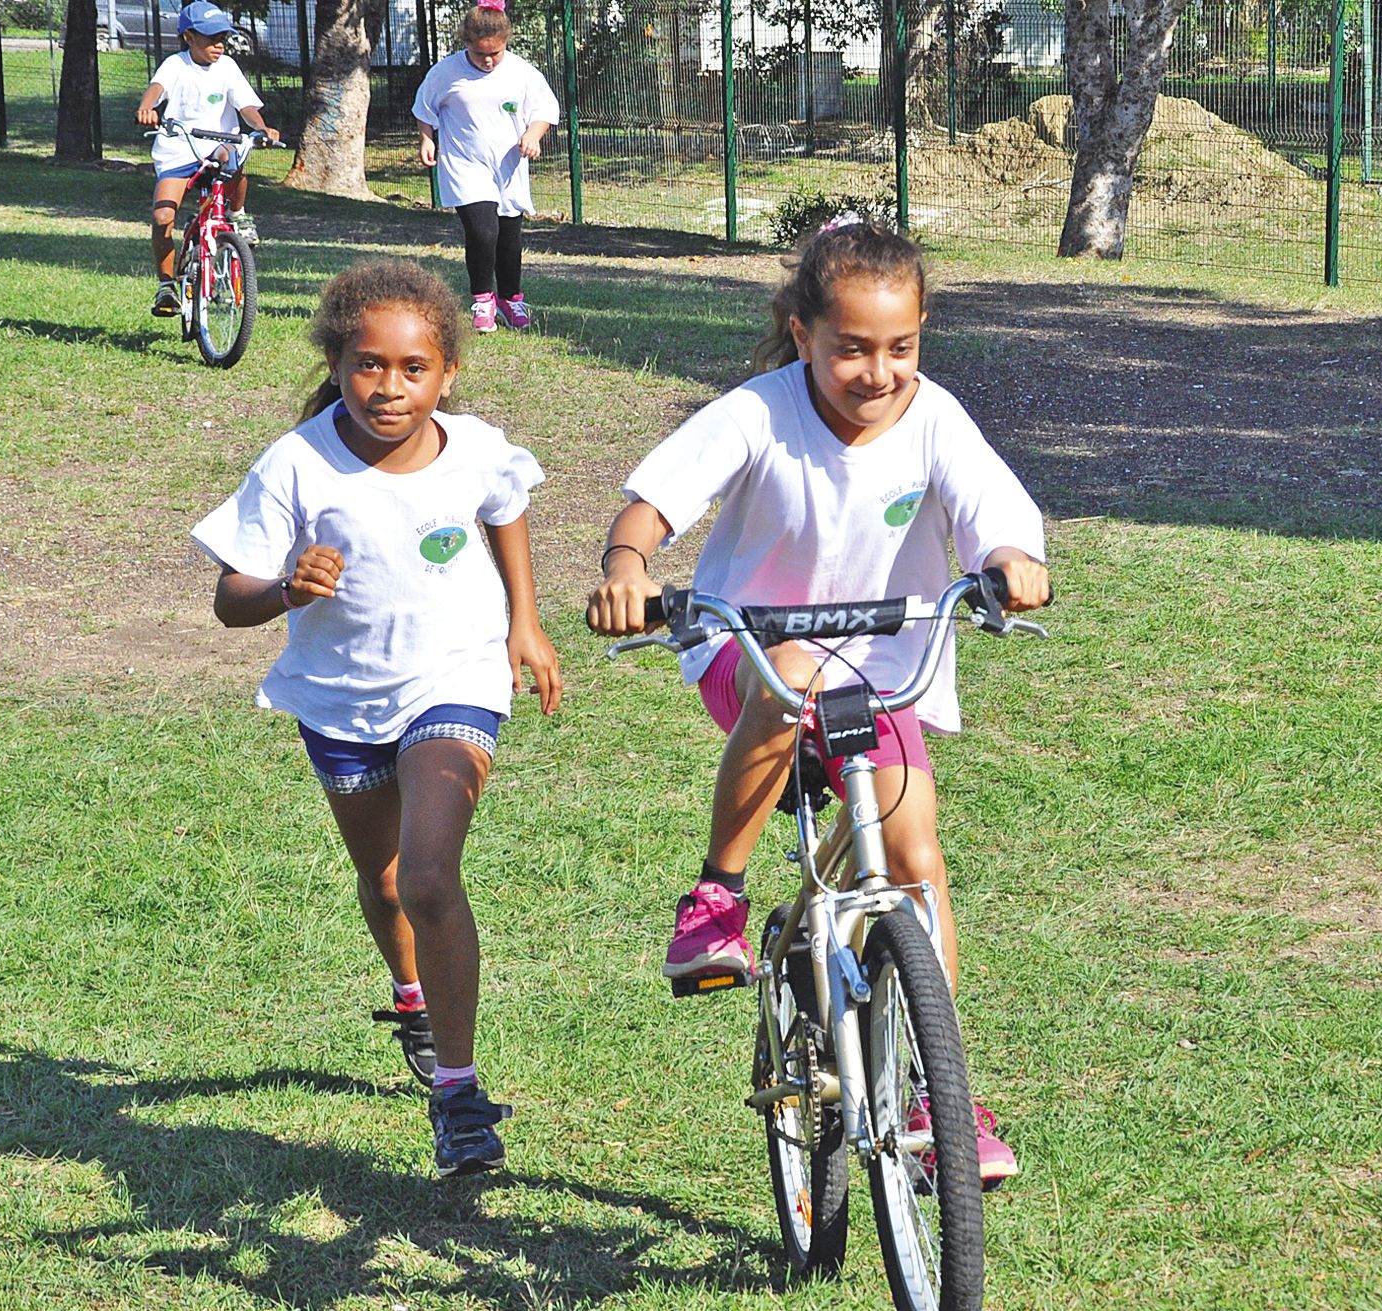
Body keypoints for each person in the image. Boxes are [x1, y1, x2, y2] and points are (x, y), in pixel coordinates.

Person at [585, 218, 1050, 1188]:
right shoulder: (756, 413)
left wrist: (1012, 560)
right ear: (802, 334)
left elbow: (993, 511)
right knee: (792, 670)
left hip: (879, 665)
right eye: (851, 348)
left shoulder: (935, 418)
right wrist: (627, 566)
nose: (878, 372)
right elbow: (651, 506)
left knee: (916, 859)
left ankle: (935, 1094)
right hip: (749, 651)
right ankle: (716, 894)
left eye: (900, 346)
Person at [192, 259, 561, 1177]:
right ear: (337, 362)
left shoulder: (473, 447)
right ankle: (411, 997)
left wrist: (524, 619)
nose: (388, 387)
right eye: (368, 364)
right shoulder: (296, 462)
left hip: (455, 675)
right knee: (388, 881)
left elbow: (507, 505)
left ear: (447, 373)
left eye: (412, 368)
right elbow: (230, 599)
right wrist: (285, 588)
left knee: (430, 877)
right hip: (339, 696)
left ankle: (458, 1095)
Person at [410, 0, 559, 334]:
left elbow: (545, 110)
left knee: (508, 238)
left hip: (508, 168)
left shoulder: (522, 72)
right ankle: (483, 299)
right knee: (483, 231)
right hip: (464, 165)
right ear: (466, 43)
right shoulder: (445, 73)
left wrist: (533, 135)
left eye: (495, 53)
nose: (488, 60)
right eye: (480, 54)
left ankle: (510, 299)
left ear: (506, 42)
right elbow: (424, 108)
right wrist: (427, 139)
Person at [135, 1, 280, 318]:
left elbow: (246, 107)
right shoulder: (176, 65)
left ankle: (237, 214)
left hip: (217, 145)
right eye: (211, 38)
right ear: (189, 37)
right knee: (162, 218)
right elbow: (156, 89)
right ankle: (166, 286)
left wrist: (260, 128)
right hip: (179, 148)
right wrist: (147, 108)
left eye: (222, 38)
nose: (219, 45)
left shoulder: (227, 67)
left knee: (234, 153)